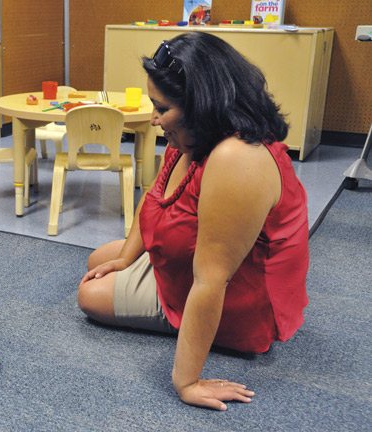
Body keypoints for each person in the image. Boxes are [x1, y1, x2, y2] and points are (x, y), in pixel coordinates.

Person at [77, 32, 309, 411]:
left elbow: (212, 278)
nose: (154, 118)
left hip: (238, 296)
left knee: (89, 295)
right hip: (198, 260)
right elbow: (153, 198)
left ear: (202, 105)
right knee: (101, 259)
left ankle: (201, 332)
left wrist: (187, 382)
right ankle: (136, 273)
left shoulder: (237, 159)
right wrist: (125, 259)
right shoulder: (190, 137)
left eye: (162, 108)